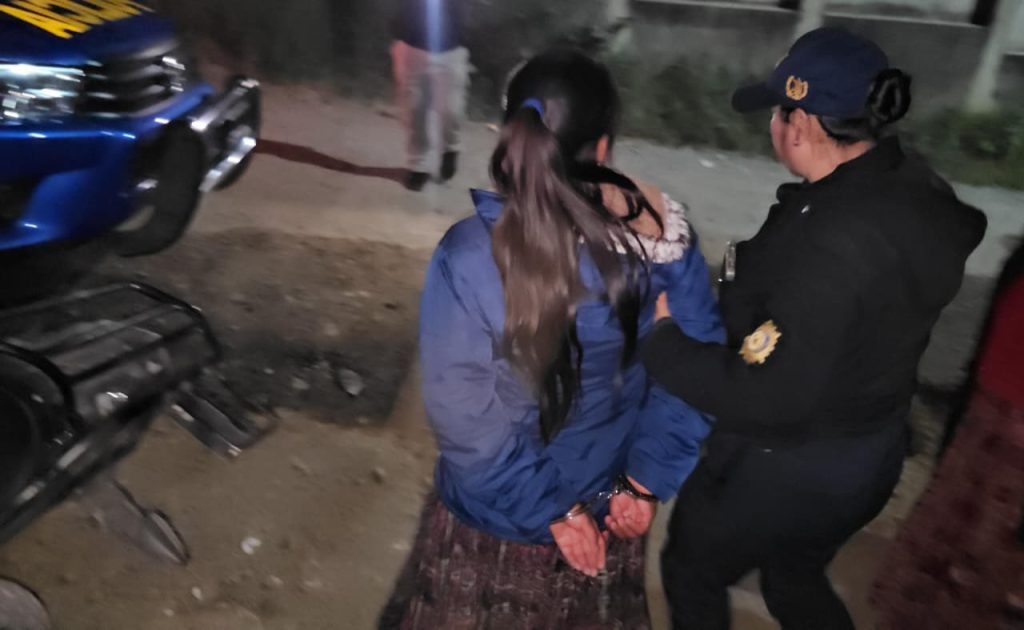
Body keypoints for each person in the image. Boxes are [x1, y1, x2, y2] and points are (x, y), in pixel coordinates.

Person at [640, 27, 987, 630]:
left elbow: (770, 395)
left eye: (778, 113)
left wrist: (661, 343)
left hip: (787, 467)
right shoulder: (906, 187)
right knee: (793, 575)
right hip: (869, 452)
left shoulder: (834, 241)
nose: (774, 126)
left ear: (800, 123)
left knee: (692, 570)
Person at [379, 50, 724, 629]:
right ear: (603, 148)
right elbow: (694, 371)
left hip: (496, 513)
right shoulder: (662, 244)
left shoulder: (469, 255)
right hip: (610, 500)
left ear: (511, 134)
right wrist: (645, 480)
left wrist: (554, 511)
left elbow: (464, 417)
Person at [872, 233, 1024, 629]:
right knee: (932, 571)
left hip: (1011, 468)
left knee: (984, 585)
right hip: (980, 435)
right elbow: (985, 355)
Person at [390, 0, 469, 191]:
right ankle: (418, 164)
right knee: (415, 109)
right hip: (413, 45)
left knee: (450, 109)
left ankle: (450, 148)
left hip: (451, 48)